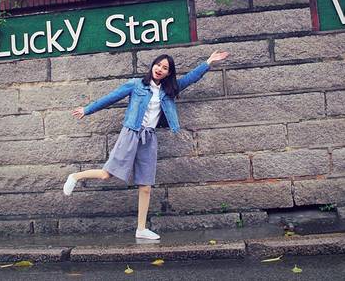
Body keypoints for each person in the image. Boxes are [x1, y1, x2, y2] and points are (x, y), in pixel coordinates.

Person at [63, 50, 229, 240]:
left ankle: (141, 229)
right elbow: (111, 97)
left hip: (149, 138)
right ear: (152, 66)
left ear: (168, 73)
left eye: (165, 68)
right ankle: (75, 176)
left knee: (146, 185)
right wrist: (87, 110)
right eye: (158, 65)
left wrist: (208, 62)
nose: (160, 69)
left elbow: (190, 79)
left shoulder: (168, 90)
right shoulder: (136, 84)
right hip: (130, 133)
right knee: (106, 174)